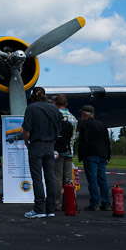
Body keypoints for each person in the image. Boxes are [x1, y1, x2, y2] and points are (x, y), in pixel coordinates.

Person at [22, 87, 62, 219]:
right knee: (50, 177)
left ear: (33, 96)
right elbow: (58, 130)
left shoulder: (31, 108)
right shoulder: (54, 109)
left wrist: (27, 142)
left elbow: (26, 129)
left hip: (36, 145)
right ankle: (50, 209)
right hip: (50, 146)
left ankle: (39, 208)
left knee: (37, 178)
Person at [78, 105, 112, 211]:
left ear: (85, 114)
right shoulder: (102, 124)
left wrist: (82, 155)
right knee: (102, 179)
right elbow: (107, 141)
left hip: (90, 155)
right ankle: (106, 203)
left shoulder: (84, 125)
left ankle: (94, 203)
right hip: (102, 155)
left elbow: (84, 142)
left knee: (92, 180)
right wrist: (108, 156)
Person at [53, 94, 77, 210]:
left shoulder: (54, 116)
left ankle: (57, 203)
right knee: (68, 179)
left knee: (57, 177)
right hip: (69, 151)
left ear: (55, 103)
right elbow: (73, 136)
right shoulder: (73, 118)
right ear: (66, 104)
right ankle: (69, 202)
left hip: (57, 151)